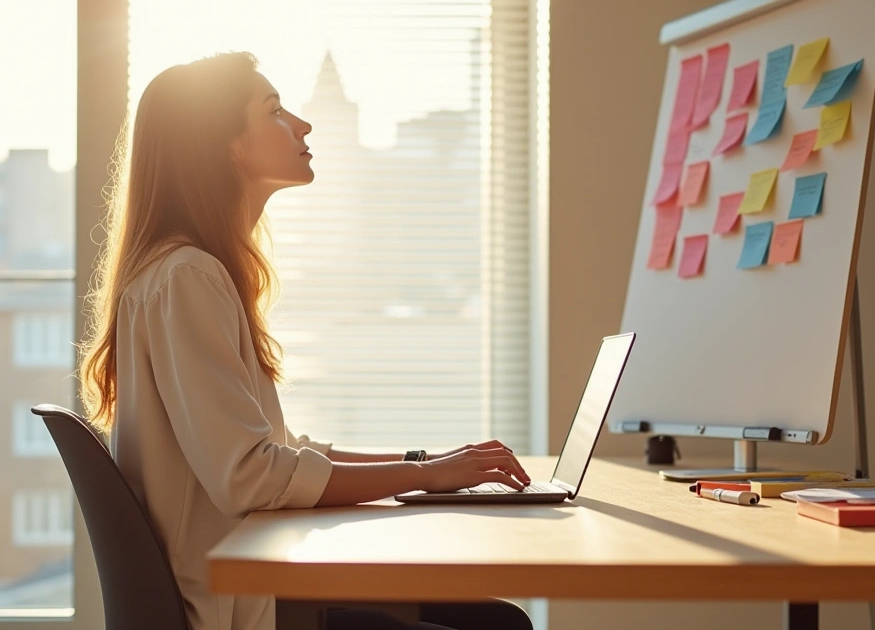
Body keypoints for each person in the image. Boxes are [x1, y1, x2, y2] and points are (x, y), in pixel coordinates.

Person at [77, 52, 534, 630]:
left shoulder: (189, 271)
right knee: (495, 626)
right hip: (234, 612)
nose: (304, 124)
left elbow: (281, 449)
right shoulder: (187, 277)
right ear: (222, 145)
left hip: (248, 594)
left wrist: (428, 462)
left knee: (492, 620)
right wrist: (424, 477)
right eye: (274, 111)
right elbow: (250, 475)